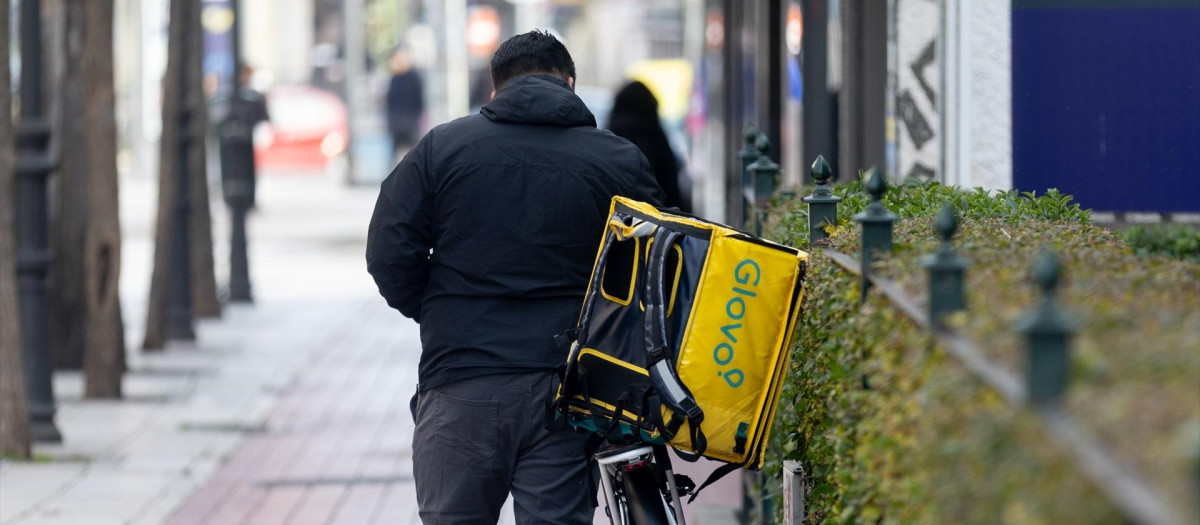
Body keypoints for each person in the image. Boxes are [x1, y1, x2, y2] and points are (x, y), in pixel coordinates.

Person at [366, 30, 663, 524]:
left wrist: (444, 310)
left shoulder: (440, 149)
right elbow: (659, 267)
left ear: (494, 88)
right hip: (567, 388)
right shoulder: (615, 159)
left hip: (460, 379)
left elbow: (388, 252)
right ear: (570, 83)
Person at [607, 81, 689, 212]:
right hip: (655, 224)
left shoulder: (609, 137)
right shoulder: (656, 139)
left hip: (614, 223)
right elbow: (671, 188)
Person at [385, 47, 424, 159]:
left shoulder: (414, 77)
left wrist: (415, 118)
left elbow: (419, 100)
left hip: (410, 122)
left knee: (414, 153)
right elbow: (391, 102)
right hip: (396, 122)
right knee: (395, 154)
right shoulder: (394, 78)